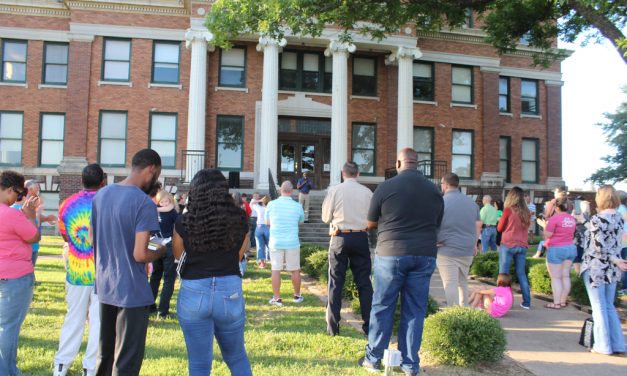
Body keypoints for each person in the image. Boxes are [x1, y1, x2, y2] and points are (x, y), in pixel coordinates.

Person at [360, 148, 443, 376]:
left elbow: (370, 222)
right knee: (415, 310)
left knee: (382, 305)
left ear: (399, 163)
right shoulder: (434, 190)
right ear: (417, 164)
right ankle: (409, 365)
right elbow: (437, 223)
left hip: (391, 252)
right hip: (424, 254)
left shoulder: (385, 187)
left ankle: (373, 358)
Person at [92, 149, 166, 375]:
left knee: (104, 355)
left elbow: (95, 240)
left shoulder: (101, 196)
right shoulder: (143, 203)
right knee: (126, 361)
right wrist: (161, 250)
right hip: (131, 291)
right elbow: (140, 254)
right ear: (151, 169)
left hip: (105, 286)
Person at [172, 169, 252, 376]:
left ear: (195, 192)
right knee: (236, 356)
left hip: (194, 290)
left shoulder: (184, 221)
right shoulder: (240, 218)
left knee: (199, 363)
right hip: (229, 289)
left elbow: (179, 254)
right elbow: (239, 255)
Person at [53, 164, 106, 376]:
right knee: (98, 323)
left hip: (76, 270)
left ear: (82, 180)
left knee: (73, 319)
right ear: (102, 181)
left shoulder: (67, 204)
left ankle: (61, 367)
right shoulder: (106, 202)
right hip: (101, 272)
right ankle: (90, 368)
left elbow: (64, 235)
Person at [321, 161, 374, 336]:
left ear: (343, 173)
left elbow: (325, 217)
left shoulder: (335, 190)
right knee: (364, 283)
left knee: (335, 282)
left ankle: (333, 327)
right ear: (357, 174)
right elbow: (373, 218)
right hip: (360, 236)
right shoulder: (367, 192)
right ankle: (369, 326)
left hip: (340, 236)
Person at [0, 171, 40, 376]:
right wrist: (31, 216)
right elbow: (34, 236)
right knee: (9, 328)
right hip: (15, 277)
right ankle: (7, 371)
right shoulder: (11, 214)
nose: (19, 198)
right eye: (17, 193)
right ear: (8, 190)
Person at [580, 185, 627, 355]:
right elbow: (615, 244)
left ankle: (603, 345)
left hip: (595, 268)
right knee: (608, 306)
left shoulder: (597, 219)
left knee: (599, 307)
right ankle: (618, 344)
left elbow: (599, 247)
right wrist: (616, 260)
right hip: (612, 269)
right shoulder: (619, 218)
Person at [436, 173, 482, 307]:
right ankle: (464, 311)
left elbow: (433, 224)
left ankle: (454, 315)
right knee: (463, 282)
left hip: (446, 248)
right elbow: (478, 224)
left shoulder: (441, 202)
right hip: (467, 248)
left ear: (444, 185)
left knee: (450, 283)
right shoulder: (471, 203)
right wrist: (474, 244)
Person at [265, 181, 305, 306]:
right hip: (292, 241)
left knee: (276, 270)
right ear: (292, 191)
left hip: (276, 241)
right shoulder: (297, 205)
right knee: (295, 270)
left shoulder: (271, 204)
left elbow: (267, 222)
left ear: (279, 190)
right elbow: (301, 221)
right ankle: (297, 296)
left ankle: (277, 298)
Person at [497, 187, 532, 309]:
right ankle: (527, 302)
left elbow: (500, 228)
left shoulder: (508, 210)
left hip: (508, 244)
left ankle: (503, 301)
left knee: (503, 273)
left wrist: (500, 221)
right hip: (522, 245)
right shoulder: (527, 212)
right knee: (521, 273)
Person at [10, 180, 56, 266]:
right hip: (24, 249)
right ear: (29, 189)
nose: (38, 190)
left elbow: (35, 219)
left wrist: (46, 218)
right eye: (37, 188)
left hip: (33, 248)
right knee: (26, 274)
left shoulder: (31, 207)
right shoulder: (19, 209)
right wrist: (37, 214)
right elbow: (32, 229)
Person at [149, 190, 179, 319]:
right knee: (168, 278)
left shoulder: (152, 210)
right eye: (163, 201)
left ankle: (150, 307)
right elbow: (178, 227)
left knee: (155, 276)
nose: (165, 203)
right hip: (168, 245)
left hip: (154, 244)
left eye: (166, 201)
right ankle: (163, 310)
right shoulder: (172, 212)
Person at [543, 197, 577, 309]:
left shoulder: (554, 219)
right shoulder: (572, 219)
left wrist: (544, 225)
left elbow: (547, 235)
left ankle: (556, 303)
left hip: (557, 249)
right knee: (565, 275)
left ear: (557, 207)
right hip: (570, 248)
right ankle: (562, 301)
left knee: (556, 278)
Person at [573, 200, 591, 275]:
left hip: (586, 239)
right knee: (577, 258)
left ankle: (581, 274)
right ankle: (578, 275)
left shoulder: (588, 216)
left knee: (582, 258)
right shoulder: (578, 214)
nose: (588, 208)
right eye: (586, 207)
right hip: (579, 239)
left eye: (588, 207)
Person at [253, 196, 270, 269]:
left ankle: (262, 263)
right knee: (270, 245)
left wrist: (259, 200)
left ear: (263, 201)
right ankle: (273, 260)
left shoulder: (259, 208)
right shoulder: (269, 209)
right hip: (268, 227)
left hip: (259, 227)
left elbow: (252, 202)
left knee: (260, 246)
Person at [617, 190, 627, 295]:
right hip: (625, 241)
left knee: (621, 264)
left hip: (621, 241)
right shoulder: (624, 209)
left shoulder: (619, 210)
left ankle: (623, 286)